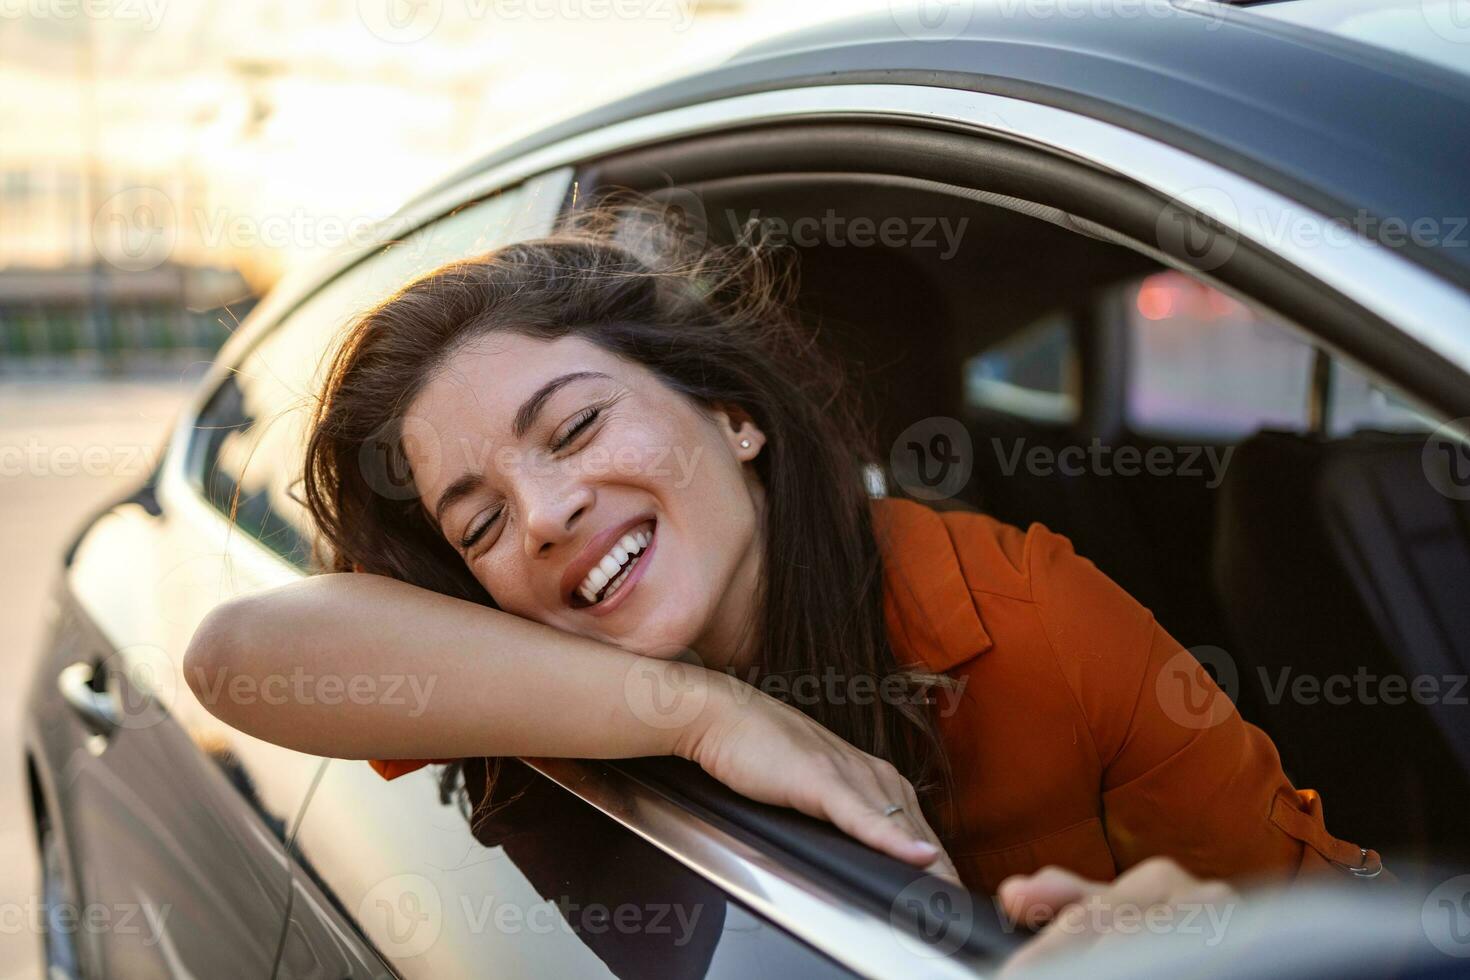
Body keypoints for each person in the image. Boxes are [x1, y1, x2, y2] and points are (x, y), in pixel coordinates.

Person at [185, 199, 1381, 958]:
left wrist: (1214, 942)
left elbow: (1343, 922)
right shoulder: (506, 683)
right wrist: (706, 711)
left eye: (577, 426)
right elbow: (232, 654)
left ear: (734, 414)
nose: (545, 515)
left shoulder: (1024, 613)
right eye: (480, 517)